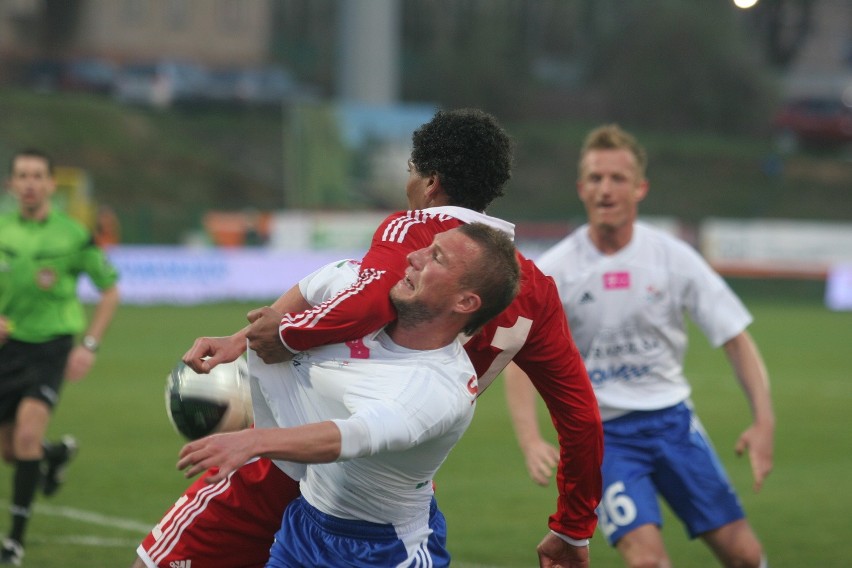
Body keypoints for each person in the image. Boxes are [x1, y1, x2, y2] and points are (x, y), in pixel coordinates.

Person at [134, 109, 602, 568]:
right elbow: (580, 417)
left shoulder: (413, 231)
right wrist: (572, 526)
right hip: (385, 487)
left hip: (289, 463)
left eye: (410, 172)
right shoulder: (531, 288)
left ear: (431, 182)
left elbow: (369, 299)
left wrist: (286, 335)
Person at [504, 124, 774, 568]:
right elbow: (519, 355)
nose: (605, 189)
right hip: (604, 438)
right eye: (595, 178)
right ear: (580, 188)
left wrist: (763, 421)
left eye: (617, 178)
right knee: (647, 561)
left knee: (744, 554)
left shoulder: (674, 258)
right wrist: (531, 438)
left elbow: (735, 337)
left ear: (640, 188)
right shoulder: (555, 270)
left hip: (675, 425)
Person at [177, 223, 521, 567]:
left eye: (437, 259)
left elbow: (355, 436)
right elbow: (319, 283)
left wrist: (253, 442)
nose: (414, 257)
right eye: (426, 247)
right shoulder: (363, 299)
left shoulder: (438, 386)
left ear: (465, 301)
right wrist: (239, 339)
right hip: (304, 526)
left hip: (385, 550)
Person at [0, 148, 120, 564]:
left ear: (52, 184)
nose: (30, 183)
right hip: (6, 350)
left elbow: (110, 288)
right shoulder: (1, 230)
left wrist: (88, 345)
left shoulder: (73, 234)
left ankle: (13, 540)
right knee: (12, 450)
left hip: (50, 347)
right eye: (22, 176)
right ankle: (55, 456)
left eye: (37, 176)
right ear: (11, 185)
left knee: (27, 435)